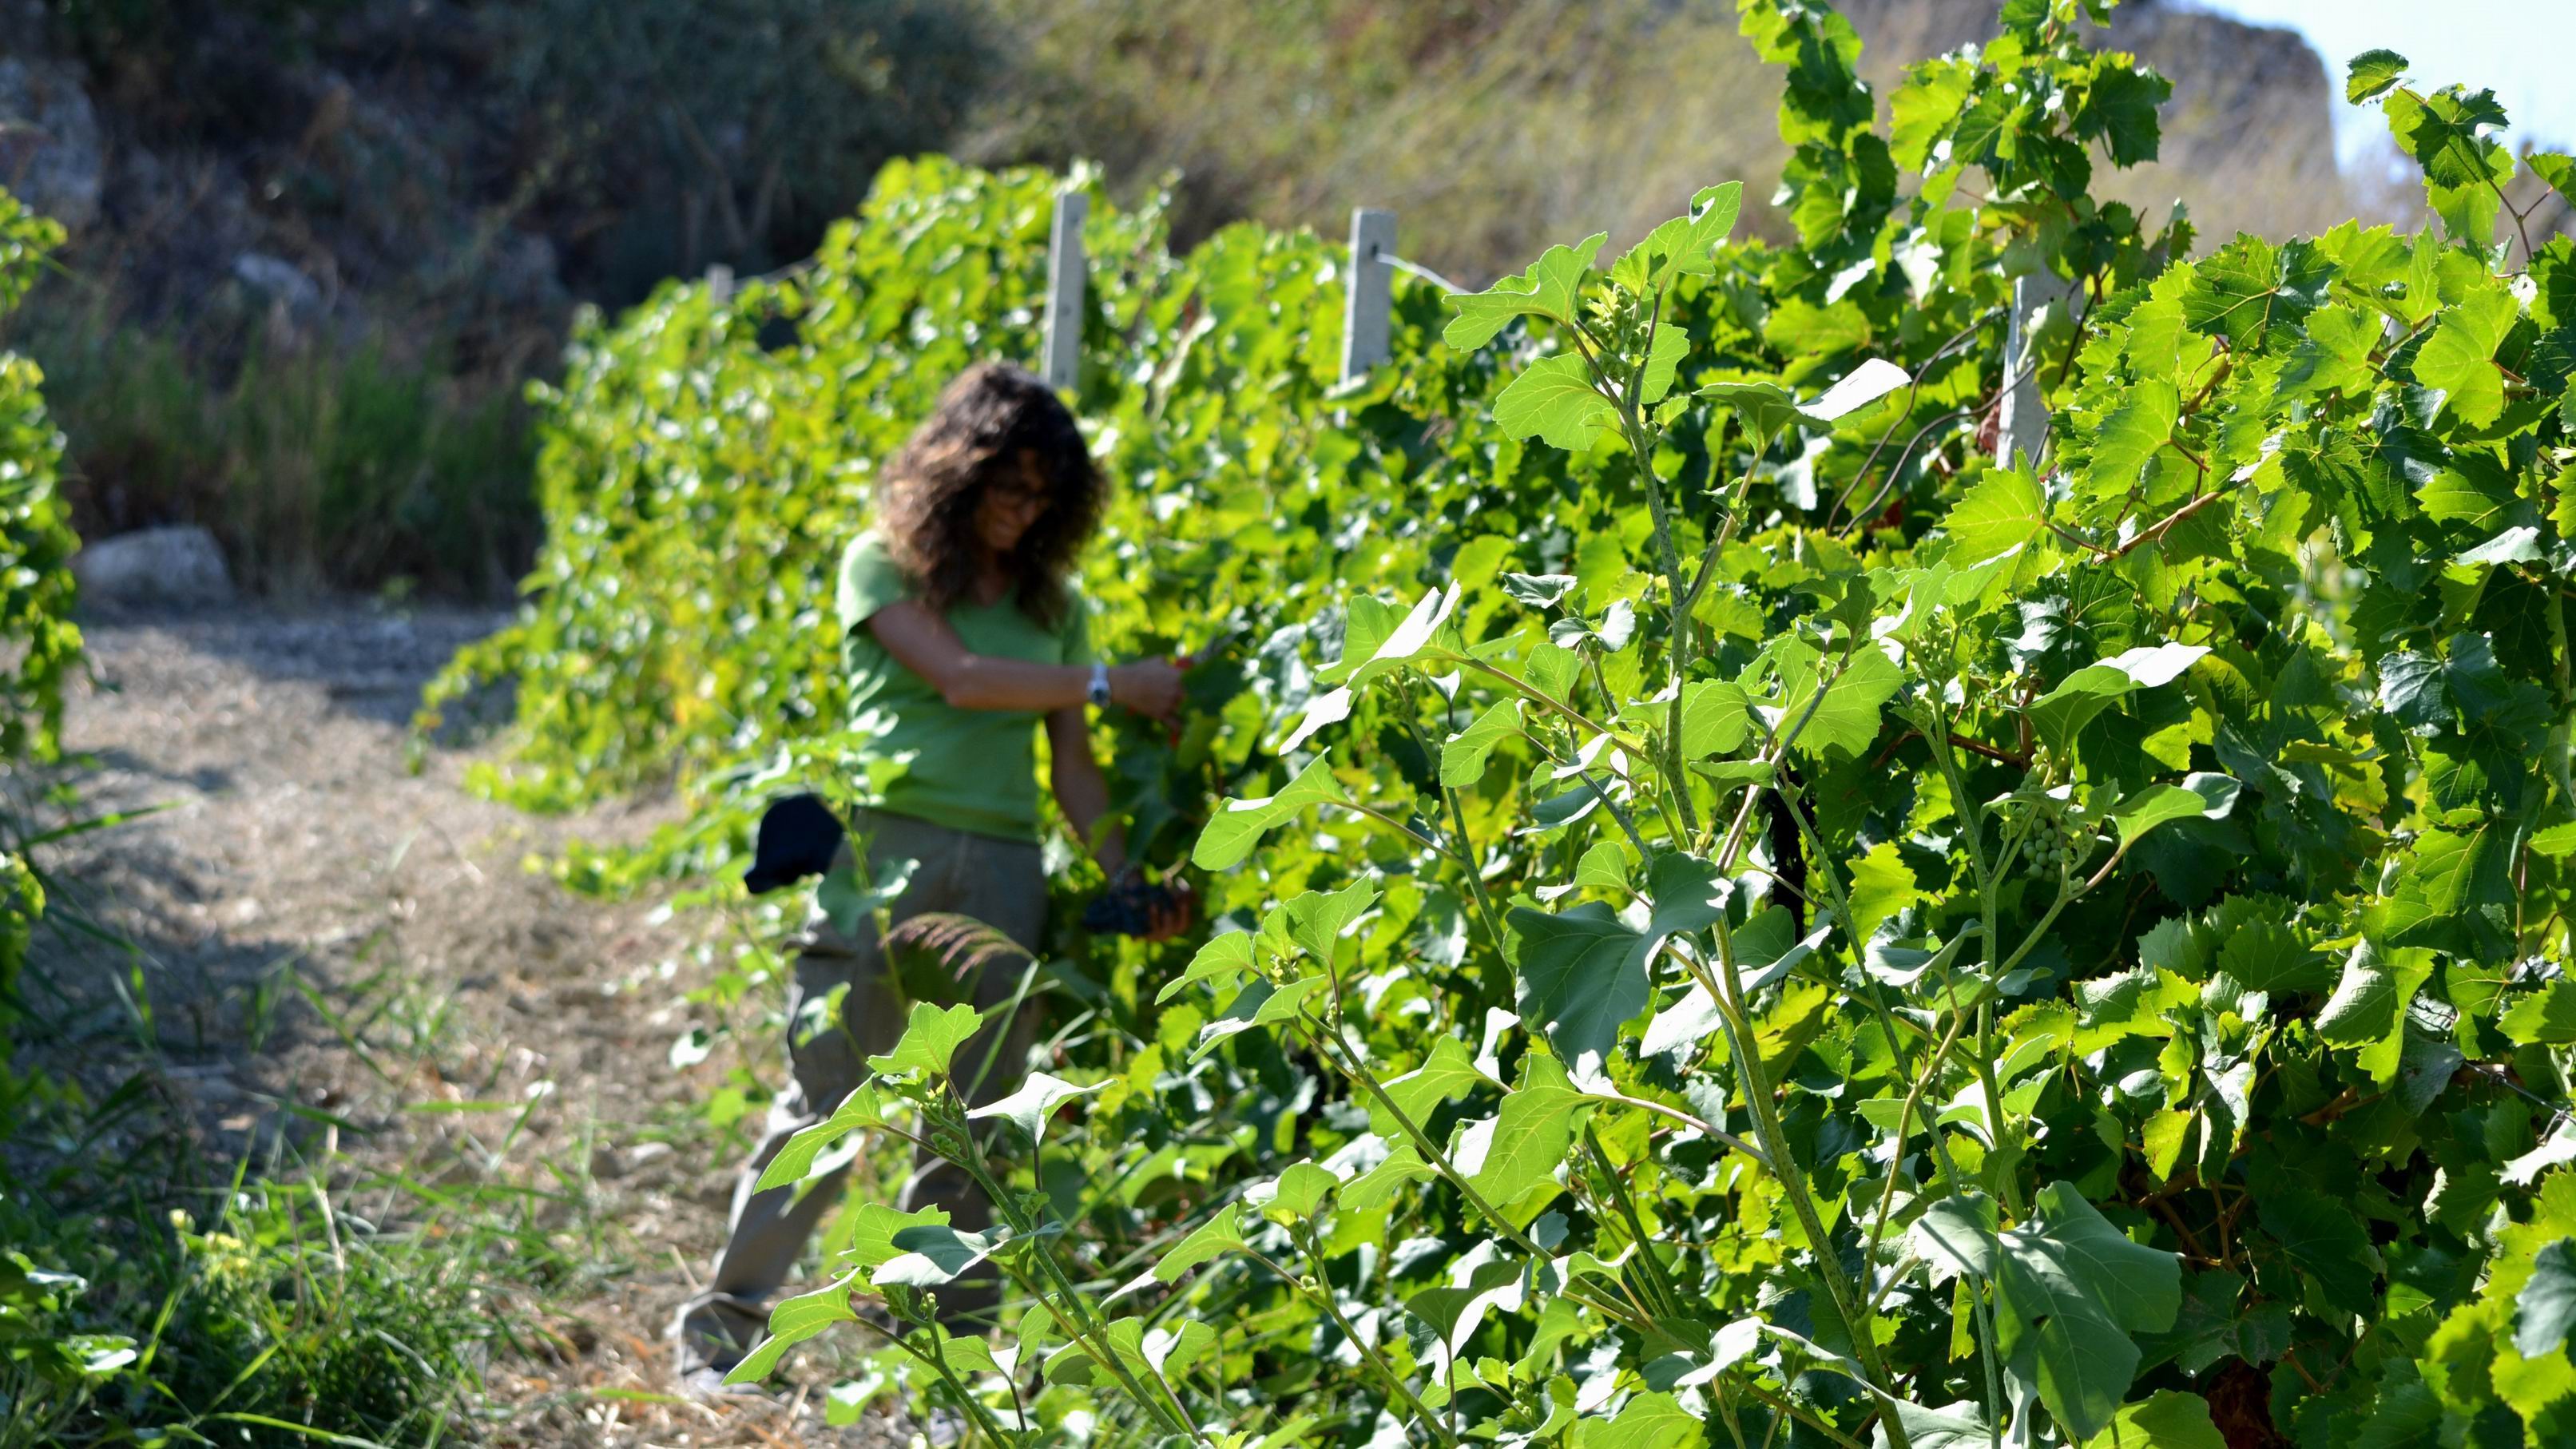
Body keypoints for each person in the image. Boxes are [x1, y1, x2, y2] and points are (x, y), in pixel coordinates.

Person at [673, 360, 1193, 1387]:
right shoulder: (881, 565)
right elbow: (959, 679)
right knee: (827, 1099)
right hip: (884, 855)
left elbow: (1073, 770)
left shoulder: (1054, 607)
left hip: (1002, 873)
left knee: (974, 1131)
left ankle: (942, 1369)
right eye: (1007, 485)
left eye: (1042, 494)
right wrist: (1105, 680)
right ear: (958, 475)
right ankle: (723, 1332)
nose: (1022, 509)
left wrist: (1128, 872)